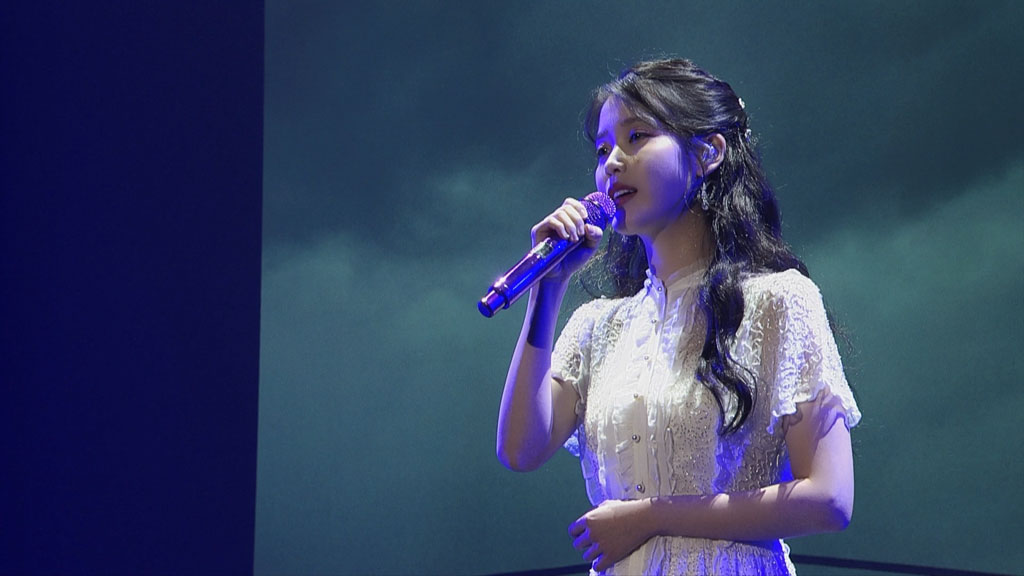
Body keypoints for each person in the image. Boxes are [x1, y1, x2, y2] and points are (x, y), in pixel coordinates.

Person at [495, 59, 861, 576]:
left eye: (637, 136)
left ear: (708, 152)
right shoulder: (598, 327)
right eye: (602, 149)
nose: (612, 163)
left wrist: (651, 517)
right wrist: (548, 288)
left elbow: (829, 498)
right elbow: (519, 449)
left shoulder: (779, 300)